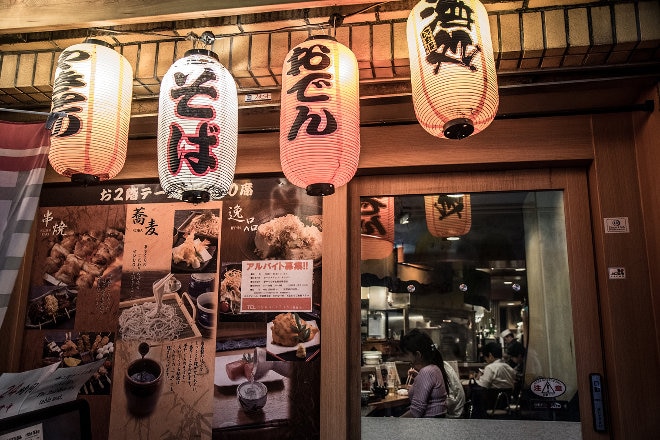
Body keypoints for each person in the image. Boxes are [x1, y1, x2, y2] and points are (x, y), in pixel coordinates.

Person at [398, 329, 449, 418]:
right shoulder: (434, 368)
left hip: (428, 425)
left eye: (406, 354)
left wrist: (394, 423)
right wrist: (418, 378)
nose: (404, 358)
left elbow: (416, 412)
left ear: (417, 355)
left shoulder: (426, 372)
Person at [470, 342, 517, 417]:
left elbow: (483, 386)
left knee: (475, 396)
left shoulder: (490, 368)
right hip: (505, 404)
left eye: (486, 357)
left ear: (490, 355)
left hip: (492, 405)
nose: (485, 360)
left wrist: (476, 378)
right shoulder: (509, 368)